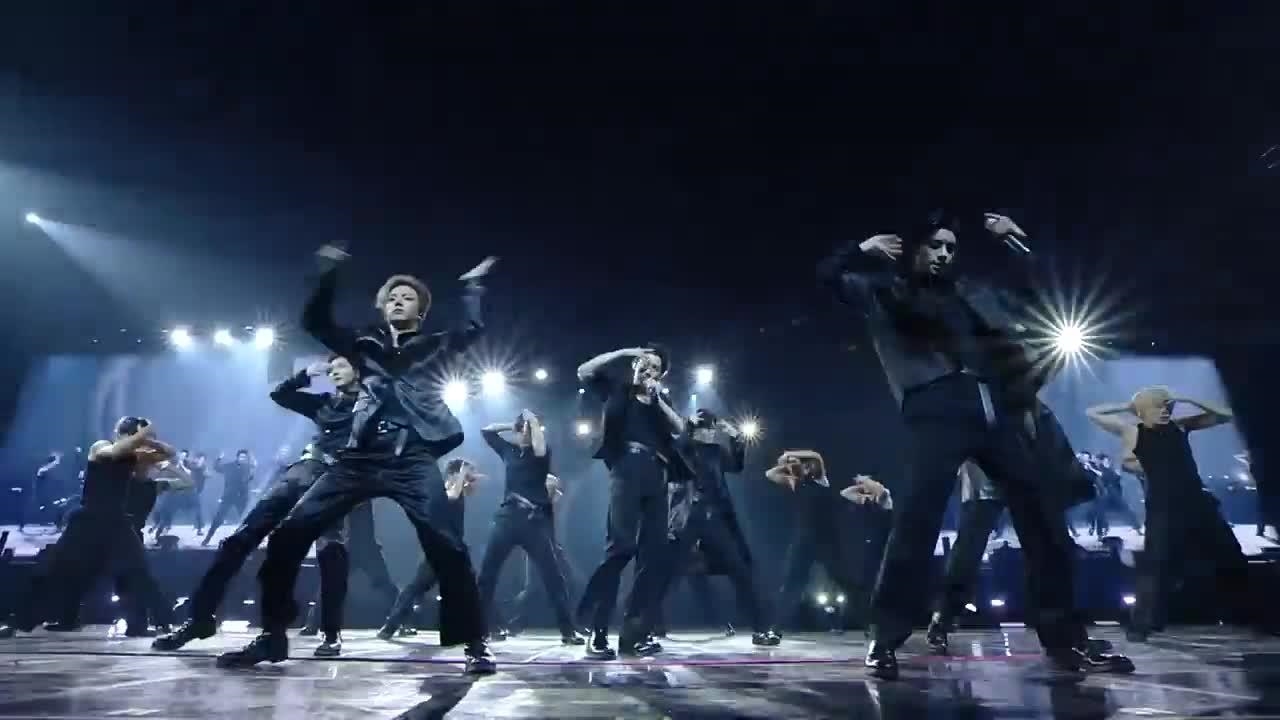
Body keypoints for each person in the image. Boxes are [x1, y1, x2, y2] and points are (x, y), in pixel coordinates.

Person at [817, 211, 1133, 678]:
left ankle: (1068, 640)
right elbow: (827, 278)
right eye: (934, 245)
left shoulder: (969, 293)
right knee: (917, 524)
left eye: (950, 247)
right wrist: (861, 249)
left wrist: (1015, 243)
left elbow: (1036, 299)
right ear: (914, 248)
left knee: (1043, 520)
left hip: (994, 408)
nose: (944, 253)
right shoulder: (884, 291)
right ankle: (884, 639)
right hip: (937, 409)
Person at [217, 247, 498, 674]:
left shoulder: (434, 345)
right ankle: (272, 635)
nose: (398, 301)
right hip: (359, 457)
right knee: (288, 535)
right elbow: (315, 323)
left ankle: (475, 643)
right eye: (391, 297)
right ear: (382, 308)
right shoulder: (362, 345)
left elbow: (472, 329)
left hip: (411, 455)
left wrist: (471, 288)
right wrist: (328, 274)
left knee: (447, 546)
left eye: (407, 297)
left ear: (421, 311)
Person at [153, 358, 360, 657]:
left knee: (331, 552)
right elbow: (280, 395)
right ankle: (199, 619)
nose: (334, 372)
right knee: (237, 541)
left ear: (359, 370)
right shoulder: (325, 403)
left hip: (336, 481)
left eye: (341, 366)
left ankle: (330, 633)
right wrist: (304, 375)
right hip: (300, 474)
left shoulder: (372, 405)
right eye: (331, 368)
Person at [1087, 386, 1275, 641]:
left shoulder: (1180, 426)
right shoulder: (1133, 430)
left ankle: (1259, 616)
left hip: (1197, 501)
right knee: (1155, 565)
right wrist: (1128, 406)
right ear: (1142, 410)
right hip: (1163, 506)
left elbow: (1225, 415)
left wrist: (1189, 399)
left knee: (1231, 557)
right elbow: (1093, 413)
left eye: (1168, 406)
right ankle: (1142, 625)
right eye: (1158, 407)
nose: (1165, 411)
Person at [0, 417, 182, 638]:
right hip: (88, 520)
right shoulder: (101, 447)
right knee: (54, 572)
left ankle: (157, 624)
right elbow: (115, 452)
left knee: (139, 571)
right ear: (126, 434)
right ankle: (17, 622)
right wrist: (145, 432)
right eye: (138, 436)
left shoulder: (134, 455)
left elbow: (170, 453)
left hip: (116, 522)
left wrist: (149, 439)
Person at [575, 344, 690, 659]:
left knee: (652, 557)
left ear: (661, 375)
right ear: (634, 365)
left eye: (654, 367)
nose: (647, 369)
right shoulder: (618, 390)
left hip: (658, 475)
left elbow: (681, 429)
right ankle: (597, 630)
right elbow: (584, 371)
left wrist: (658, 400)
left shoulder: (660, 402)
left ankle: (634, 636)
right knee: (621, 548)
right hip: (627, 468)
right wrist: (623, 352)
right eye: (643, 363)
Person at [660, 409, 779, 645]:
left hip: (715, 517)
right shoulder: (684, 448)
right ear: (697, 429)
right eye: (708, 428)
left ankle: (761, 629)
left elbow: (736, 466)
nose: (712, 432)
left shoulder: (715, 451)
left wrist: (736, 438)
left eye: (714, 428)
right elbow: (674, 449)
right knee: (668, 573)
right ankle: (648, 626)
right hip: (687, 517)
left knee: (740, 570)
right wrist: (687, 427)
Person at [472, 410, 583, 645]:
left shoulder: (541, 453)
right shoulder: (508, 451)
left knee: (553, 577)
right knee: (487, 574)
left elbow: (540, 447)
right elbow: (486, 431)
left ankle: (568, 631)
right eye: (522, 428)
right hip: (507, 518)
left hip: (534, 521)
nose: (524, 432)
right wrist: (512, 424)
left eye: (528, 429)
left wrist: (532, 420)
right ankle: (479, 630)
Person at [766, 450, 890, 636]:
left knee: (846, 583)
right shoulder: (795, 483)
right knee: (791, 584)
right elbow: (770, 474)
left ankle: (871, 626)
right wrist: (787, 463)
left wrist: (789, 453)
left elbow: (816, 456)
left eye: (806, 465)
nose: (804, 467)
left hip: (827, 541)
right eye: (802, 465)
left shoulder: (821, 480)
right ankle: (775, 630)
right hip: (804, 541)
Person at [376, 458, 482, 639]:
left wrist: (468, 476)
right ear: (454, 474)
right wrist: (462, 473)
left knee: (467, 588)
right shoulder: (444, 488)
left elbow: (466, 491)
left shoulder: (457, 488)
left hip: (453, 547)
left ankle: (483, 629)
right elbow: (451, 497)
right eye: (465, 474)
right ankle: (390, 626)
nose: (468, 478)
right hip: (442, 547)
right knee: (416, 587)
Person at [202, 450, 257, 546]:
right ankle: (207, 538)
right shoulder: (229, 466)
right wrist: (219, 459)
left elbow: (249, 479)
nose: (242, 459)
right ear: (237, 457)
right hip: (228, 496)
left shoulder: (248, 467)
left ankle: (250, 541)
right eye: (241, 457)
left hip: (241, 497)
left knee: (246, 519)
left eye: (244, 457)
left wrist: (253, 468)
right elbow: (217, 468)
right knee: (218, 519)